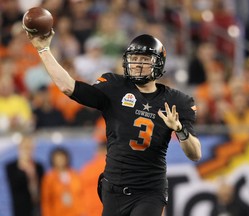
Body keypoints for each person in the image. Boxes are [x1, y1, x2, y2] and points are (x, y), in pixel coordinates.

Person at [26, 29, 202, 216]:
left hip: (149, 191)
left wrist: (180, 130)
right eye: (135, 59)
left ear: (158, 64)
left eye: (144, 60)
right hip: (114, 189)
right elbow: (68, 86)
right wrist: (43, 50)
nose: (137, 64)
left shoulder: (177, 101)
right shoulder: (114, 87)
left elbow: (195, 153)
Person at [5, 134, 44, 216]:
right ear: (19, 148)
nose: (27, 150)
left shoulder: (38, 167)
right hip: (21, 209)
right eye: (25, 147)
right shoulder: (11, 167)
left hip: (37, 208)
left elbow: (42, 187)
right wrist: (23, 167)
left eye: (30, 147)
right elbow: (15, 184)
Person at [41, 147, 84, 216]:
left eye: (62, 158)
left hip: (75, 213)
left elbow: (82, 194)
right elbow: (46, 201)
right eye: (58, 158)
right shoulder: (49, 178)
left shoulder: (75, 175)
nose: (60, 161)